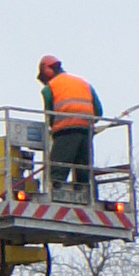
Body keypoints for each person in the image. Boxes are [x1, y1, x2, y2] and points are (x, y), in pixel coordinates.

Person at [37, 55, 102, 190]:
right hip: (86, 132)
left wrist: (53, 128)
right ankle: (85, 191)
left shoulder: (50, 87)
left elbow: (50, 115)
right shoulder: (84, 83)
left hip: (65, 131)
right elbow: (98, 111)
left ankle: (56, 191)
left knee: (58, 169)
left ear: (47, 71)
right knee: (84, 169)